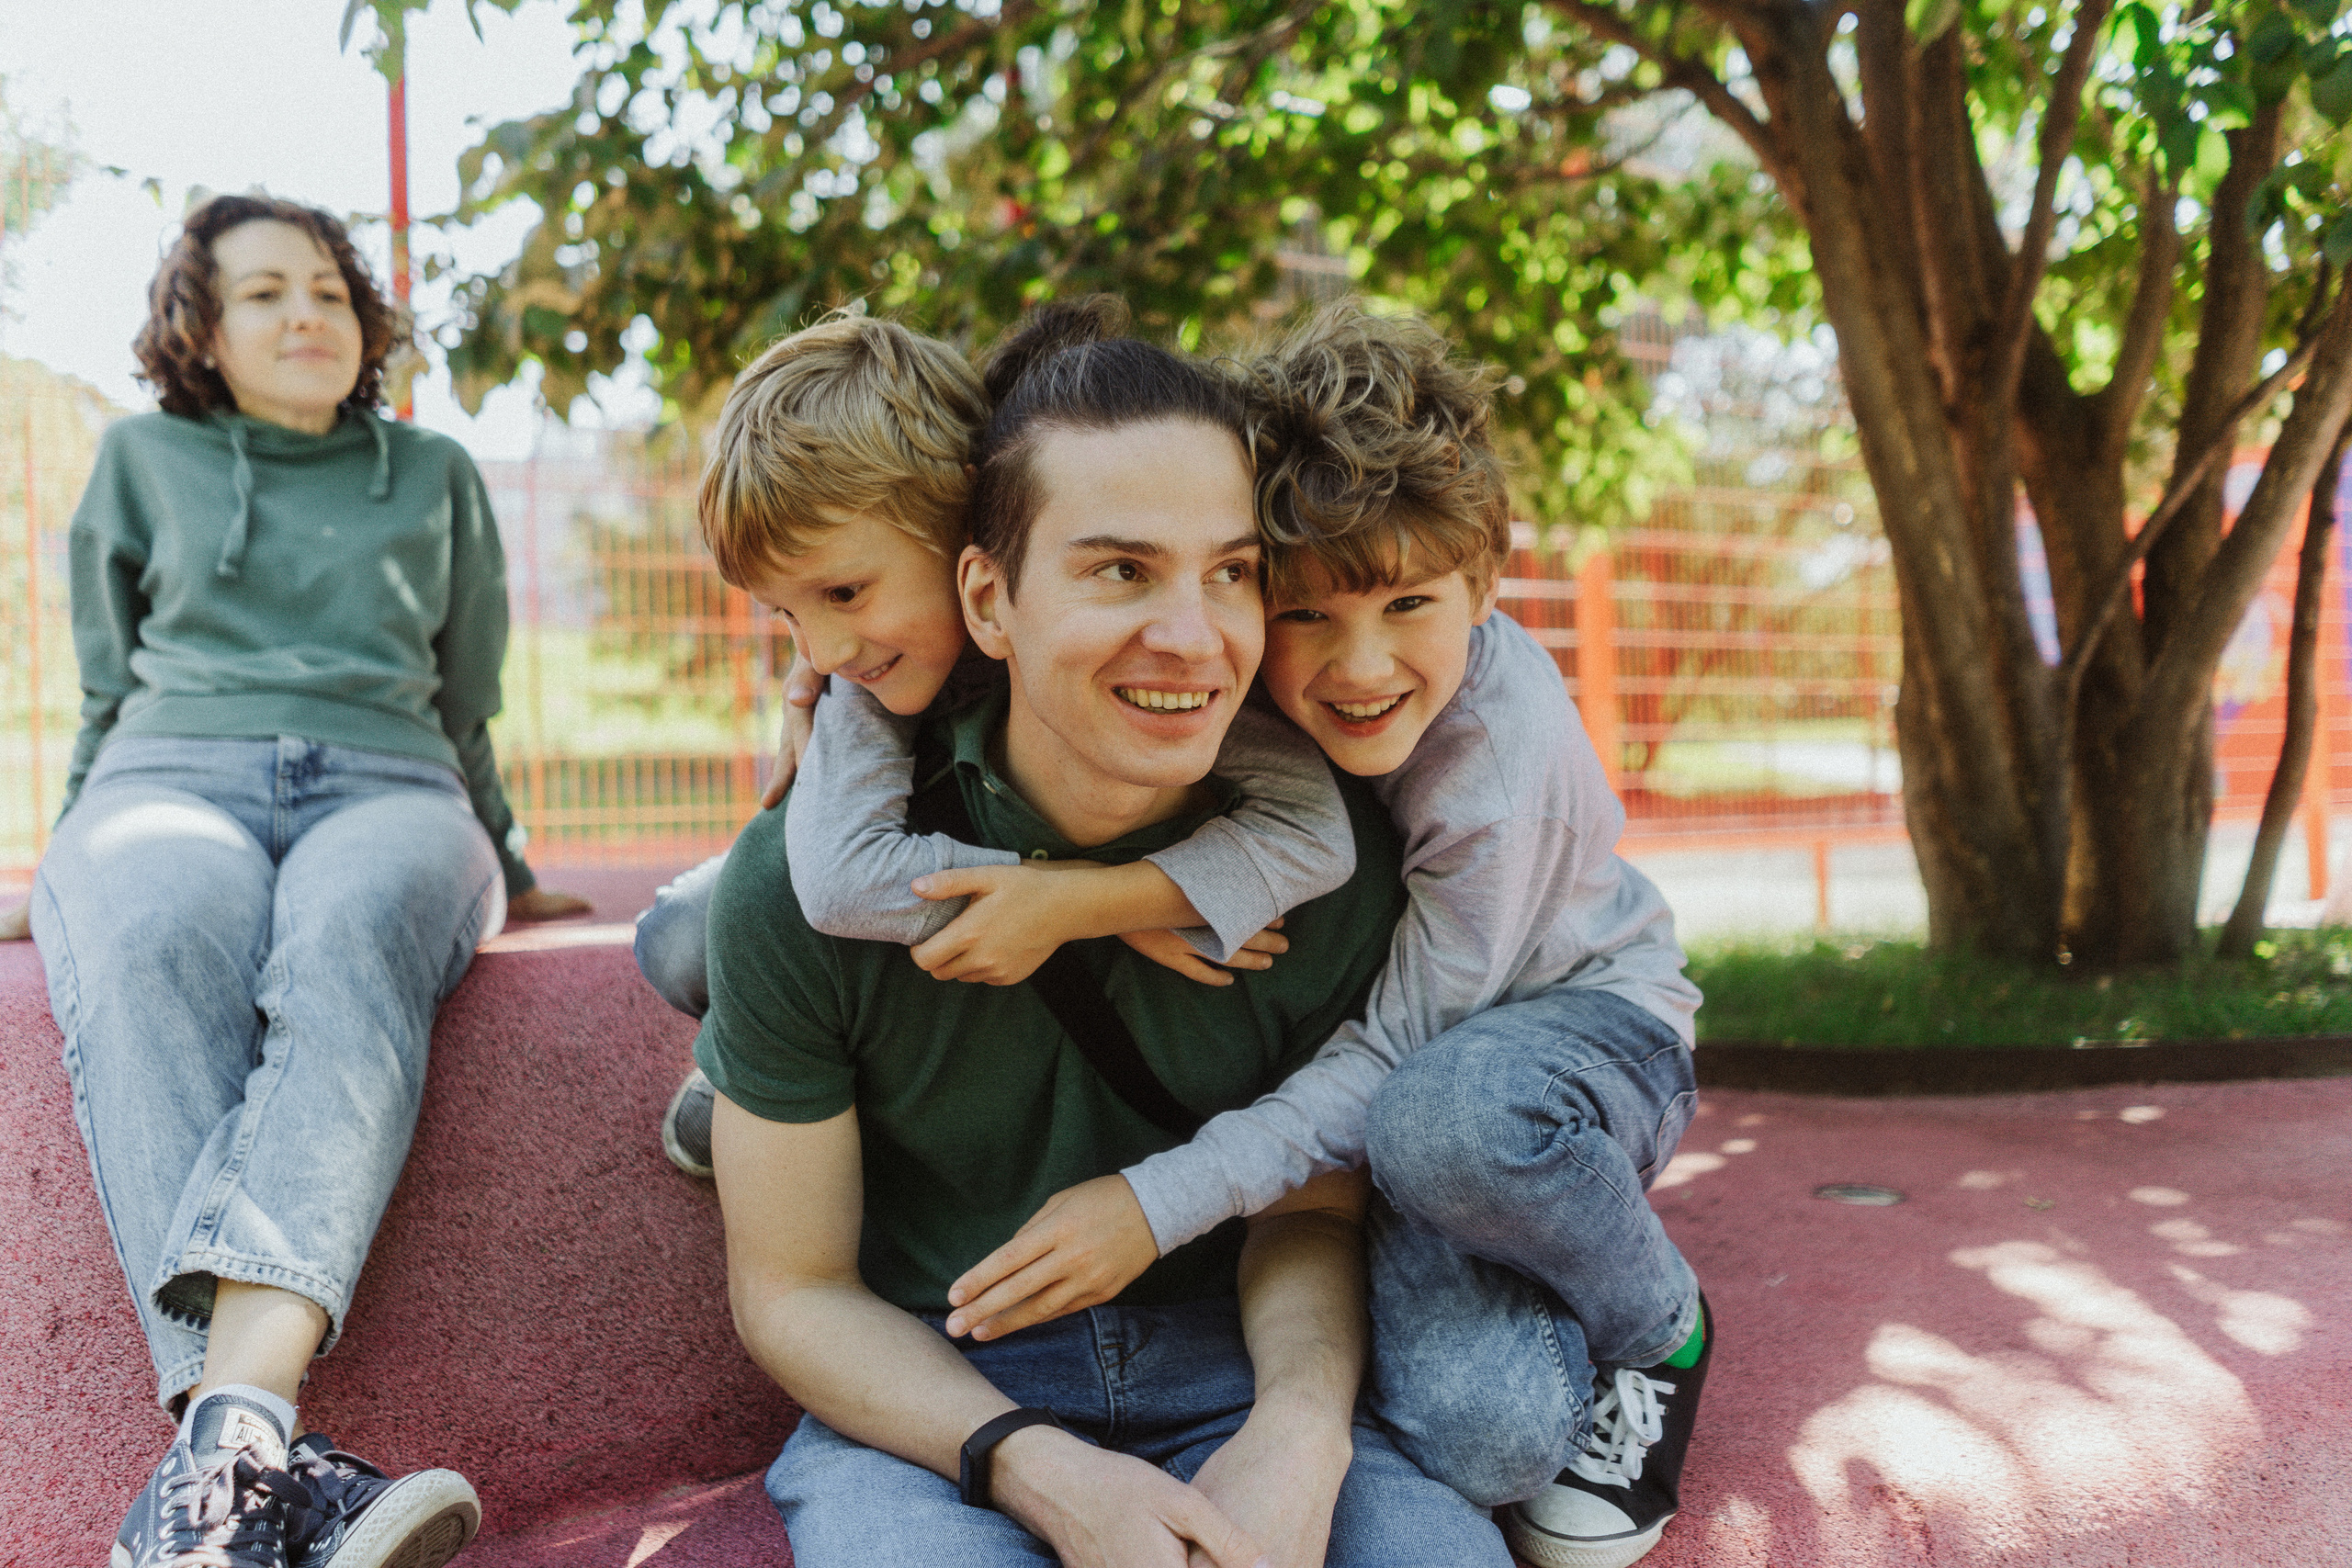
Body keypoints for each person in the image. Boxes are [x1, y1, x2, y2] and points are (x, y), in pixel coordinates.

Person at [696, 303, 1508, 1565]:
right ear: (988, 593)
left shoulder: (1328, 854)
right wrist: (1024, 1459)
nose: (1193, 637)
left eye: (1232, 571)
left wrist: (1301, 1430)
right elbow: (794, 1287)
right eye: (1120, 568)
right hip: (937, 1400)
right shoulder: (806, 882)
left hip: (1246, 1363)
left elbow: (1312, 1208)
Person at [938, 304, 1713, 1568]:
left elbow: (1389, 1061)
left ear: (1485, 584)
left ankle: (1656, 1322)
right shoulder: (1219, 662)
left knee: (1443, 1121)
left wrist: (1160, 1199)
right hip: (1412, 1091)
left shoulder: (1493, 779)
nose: (1359, 666)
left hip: (1572, 1040)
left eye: (1410, 601)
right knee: (1487, 1431)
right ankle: (1516, 1258)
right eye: (1306, 611)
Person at [20, 194, 584, 1568]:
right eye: (266, 291)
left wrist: (499, 856)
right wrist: (66, 854)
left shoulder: (436, 471)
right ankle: (250, 1454)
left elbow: (467, 697)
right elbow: (105, 682)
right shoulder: (144, 457)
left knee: (351, 936)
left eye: (329, 289)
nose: (307, 313)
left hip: (391, 782)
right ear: (202, 329)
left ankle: (218, 1465)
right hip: (167, 775)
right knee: (145, 935)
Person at [637, 307, 1357, 1179]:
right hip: (844, 868)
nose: (820, 651)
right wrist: (1103, 906)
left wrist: (1082, 906)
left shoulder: (1143, 651)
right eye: (788, 613)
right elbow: (840, 884)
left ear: (962, 526)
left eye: (845, 593)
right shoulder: (860, 692)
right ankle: (747, 1070)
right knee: (683, 939)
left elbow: (1315, 830)